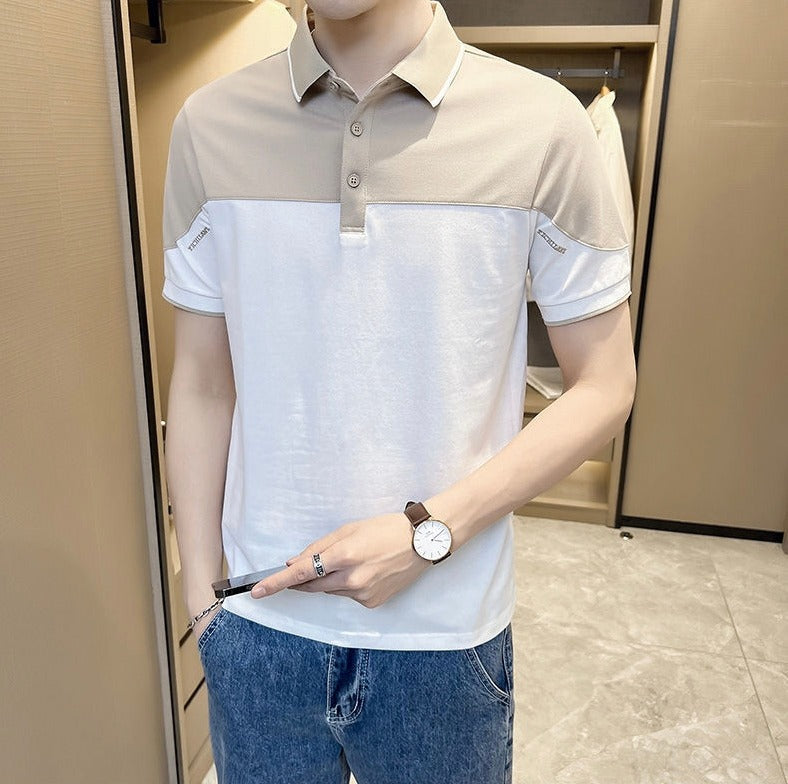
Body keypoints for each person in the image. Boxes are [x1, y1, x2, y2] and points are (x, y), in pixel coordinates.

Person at [161, 0, 636, 781]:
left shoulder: (543, 127)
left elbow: (606, 384)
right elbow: (205, 383)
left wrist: (429, 532)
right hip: (257, 631)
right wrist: (205, 607)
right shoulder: (207, 127)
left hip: (444, 647)